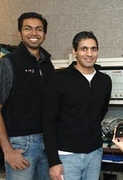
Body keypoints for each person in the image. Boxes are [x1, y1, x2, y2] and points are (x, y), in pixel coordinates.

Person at [43, 31, 112, 180]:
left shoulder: (105, 81)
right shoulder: (58, 80)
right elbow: (48, 122)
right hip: (67, 156)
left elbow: (101, 111)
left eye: (93, 49)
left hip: (95, 153)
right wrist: (53, 161)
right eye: (84, 49)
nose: (89, 54)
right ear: (74, 51)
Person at [0, 12, 54, 180]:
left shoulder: (47, 64)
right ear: (19, 33)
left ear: (44, 34)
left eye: (39, 29)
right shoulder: (9, 62)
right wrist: (8, 150)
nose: (33, 33)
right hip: (21, 146)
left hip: (47, 143)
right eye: (28, 28)